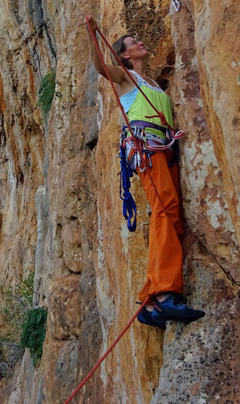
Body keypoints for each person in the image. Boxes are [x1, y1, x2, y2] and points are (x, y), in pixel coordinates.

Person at [86, 17, 205, 329]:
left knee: (169, 214)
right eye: (133, 43)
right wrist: (90, 33)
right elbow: (100, 66)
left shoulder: (151, 82)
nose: (140, 43)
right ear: (125, 56)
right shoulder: (125, 78)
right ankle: (165, 294)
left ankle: (151, 301)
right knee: (165, 210)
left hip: (162, 147)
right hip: (146, 145)